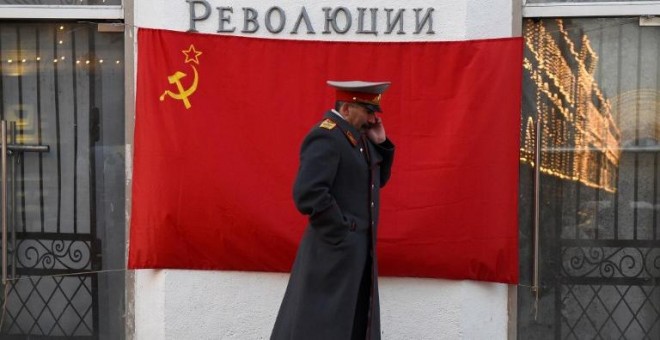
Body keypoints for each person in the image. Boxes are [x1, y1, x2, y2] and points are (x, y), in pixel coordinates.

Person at [271, 80, 395, 340]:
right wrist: (342, 230)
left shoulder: (356, 137)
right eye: (368, 111)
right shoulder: (326, 135)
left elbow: (375, 180)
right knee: (321, 325)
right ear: (348, 108)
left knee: (350, 323)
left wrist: (381, 143)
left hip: (354, 253)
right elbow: (308, 193)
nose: (373, 118)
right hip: (331, 253)